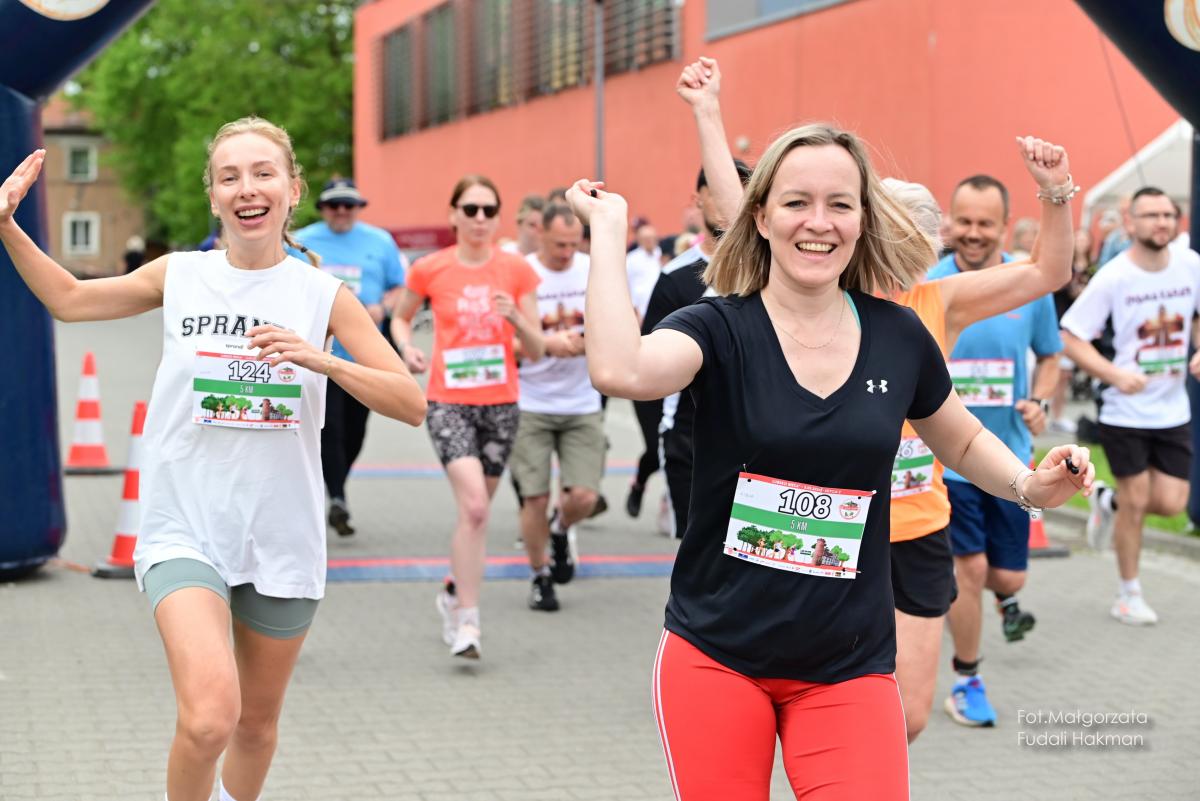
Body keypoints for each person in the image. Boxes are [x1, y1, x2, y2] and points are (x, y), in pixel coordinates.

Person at [566, 117, 1093, 798]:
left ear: (863, 219)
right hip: (718, 657)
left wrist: (1029, 484)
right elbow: (619, 367)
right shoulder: (718, 327)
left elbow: (960, 439)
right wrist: (607, 234)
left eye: (840, 204)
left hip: (848, 666)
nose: (819, 222)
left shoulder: (899, 334)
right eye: (797, 202)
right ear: (761, 217)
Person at [0, 119, 425, 801]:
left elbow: (411, 402)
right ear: (214, 196)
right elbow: (69, 300)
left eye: (263, 173)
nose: (246, 188)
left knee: (255, 726)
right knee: (208, 720)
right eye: (230, 177)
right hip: (185, 527)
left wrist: (320, 359)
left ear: (293, 190)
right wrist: (7, 227)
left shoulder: (322, 297)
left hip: (282, 535)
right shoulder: (181, 275)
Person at [675, 55, 1076, 742]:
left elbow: (1048, 270)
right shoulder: (811, 289)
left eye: (919, 234)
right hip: (827, 528)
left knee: (907, 718)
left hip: (914, 525)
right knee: (809, 701)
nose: (906, 245)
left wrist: (1056, 191)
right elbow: (746, 216)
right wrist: (708, 113)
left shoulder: (933, 302)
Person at [927, 171, 1066, 728]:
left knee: (1007, 578)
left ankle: (995, 601)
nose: (973, 232)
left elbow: (1050, 356)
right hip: (945, 463)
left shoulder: (1026, 285)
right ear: (949, 222)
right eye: (963, 221)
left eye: (985, 223)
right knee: (971, 569)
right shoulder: (928, 285)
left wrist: (1040, 400)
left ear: (1005, 226)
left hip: (1009, 459)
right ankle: (967, 679)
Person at [390, 174, 545, 659]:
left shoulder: (516, 270)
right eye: (471, 209)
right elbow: (400, 316)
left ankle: (453, 591)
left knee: (473, 515)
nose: (480, 218)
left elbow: (537, 348)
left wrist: (515, 318)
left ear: (498, 218)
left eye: (489, 210)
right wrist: (407, 347)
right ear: (453, 214)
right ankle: (468, 622)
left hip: (501, 405)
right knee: (476, 508)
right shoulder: (430, 268)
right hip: (448, 402)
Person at [1061, 186, 1200, 625]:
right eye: (1151, 215)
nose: (1162, 222)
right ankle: (1129, 594)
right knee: (1137, 500)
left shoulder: (1190, 265)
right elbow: (1071, 336)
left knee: (1172, 503)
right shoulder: (1114, 276)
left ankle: (1107, 502)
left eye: (1168, 215)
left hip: (1173, 408)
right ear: (1130, 223)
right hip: (1124, 409)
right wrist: (1115, 375)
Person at [635, 158, 753, 539]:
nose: (727, 199)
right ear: (697, 199)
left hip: (755, 437)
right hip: (689, 439)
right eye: (716, 190)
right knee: (696, 550)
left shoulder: (769, 272)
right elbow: (644, 363)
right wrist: (657, 442)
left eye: (738, 191)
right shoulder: (675, 278)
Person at [293, 177, 408, 537]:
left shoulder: (380, 241)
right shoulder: (301, 241)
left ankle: (334, 486)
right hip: (318, 354)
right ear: (322, 209)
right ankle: (337, 498)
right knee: (330, 428)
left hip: (363, 355)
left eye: (349, 205)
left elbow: (398, 287)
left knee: (355, 432)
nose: (341, 211)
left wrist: (382, 307)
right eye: (334, 205)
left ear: (358, 208)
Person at [509, 204, 604, 611]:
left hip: (582, 401)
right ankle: (540, 575)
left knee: (584, 496)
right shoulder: (521, 272)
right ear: (541, 234)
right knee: (534, 497)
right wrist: (546, 345)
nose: (567, 253)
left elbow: (622, 321)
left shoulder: (592, 269)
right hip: (531, 400)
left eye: (573, 244)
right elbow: (500, 341)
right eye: (559, 244)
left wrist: (589, 343)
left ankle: (561, 527)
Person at [625, 219, 666, 519]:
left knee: (682, 448)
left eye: (654, 237)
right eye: (645, 237)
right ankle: (639, 482)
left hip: (676, 359)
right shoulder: (632, 262)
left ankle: (674, 505)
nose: (650, 242)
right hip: (643, 352)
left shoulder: (668, 265)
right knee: (656, 446)